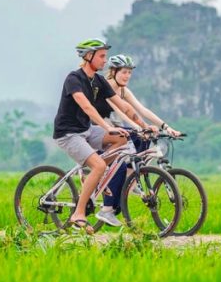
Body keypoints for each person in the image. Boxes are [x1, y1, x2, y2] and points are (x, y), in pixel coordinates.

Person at [52, 38, 151, 233]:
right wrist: (107, 127)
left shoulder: (98, 81)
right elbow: (87, 107)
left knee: (124, 139)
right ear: (89, 57)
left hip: (86, 131)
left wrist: (144, 126)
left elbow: (123, 106)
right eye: (102, 56)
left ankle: (99, 175)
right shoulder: (74, 78)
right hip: (68, 134)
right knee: (98, 164)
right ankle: (78, 214)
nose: (105, 61)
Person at [100, 54, 182, 212]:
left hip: (117, 127)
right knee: (137, 134)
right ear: (114, 71)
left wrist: (166, 127)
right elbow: (121, 112)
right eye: (124, 72)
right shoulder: (107, 87)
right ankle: (128, 180)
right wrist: (137, 128)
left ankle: (131, 178)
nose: (127, 76)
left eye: (130, 72)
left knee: (144, 139)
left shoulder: (124, 91)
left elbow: (142, 110)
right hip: (101, 127)